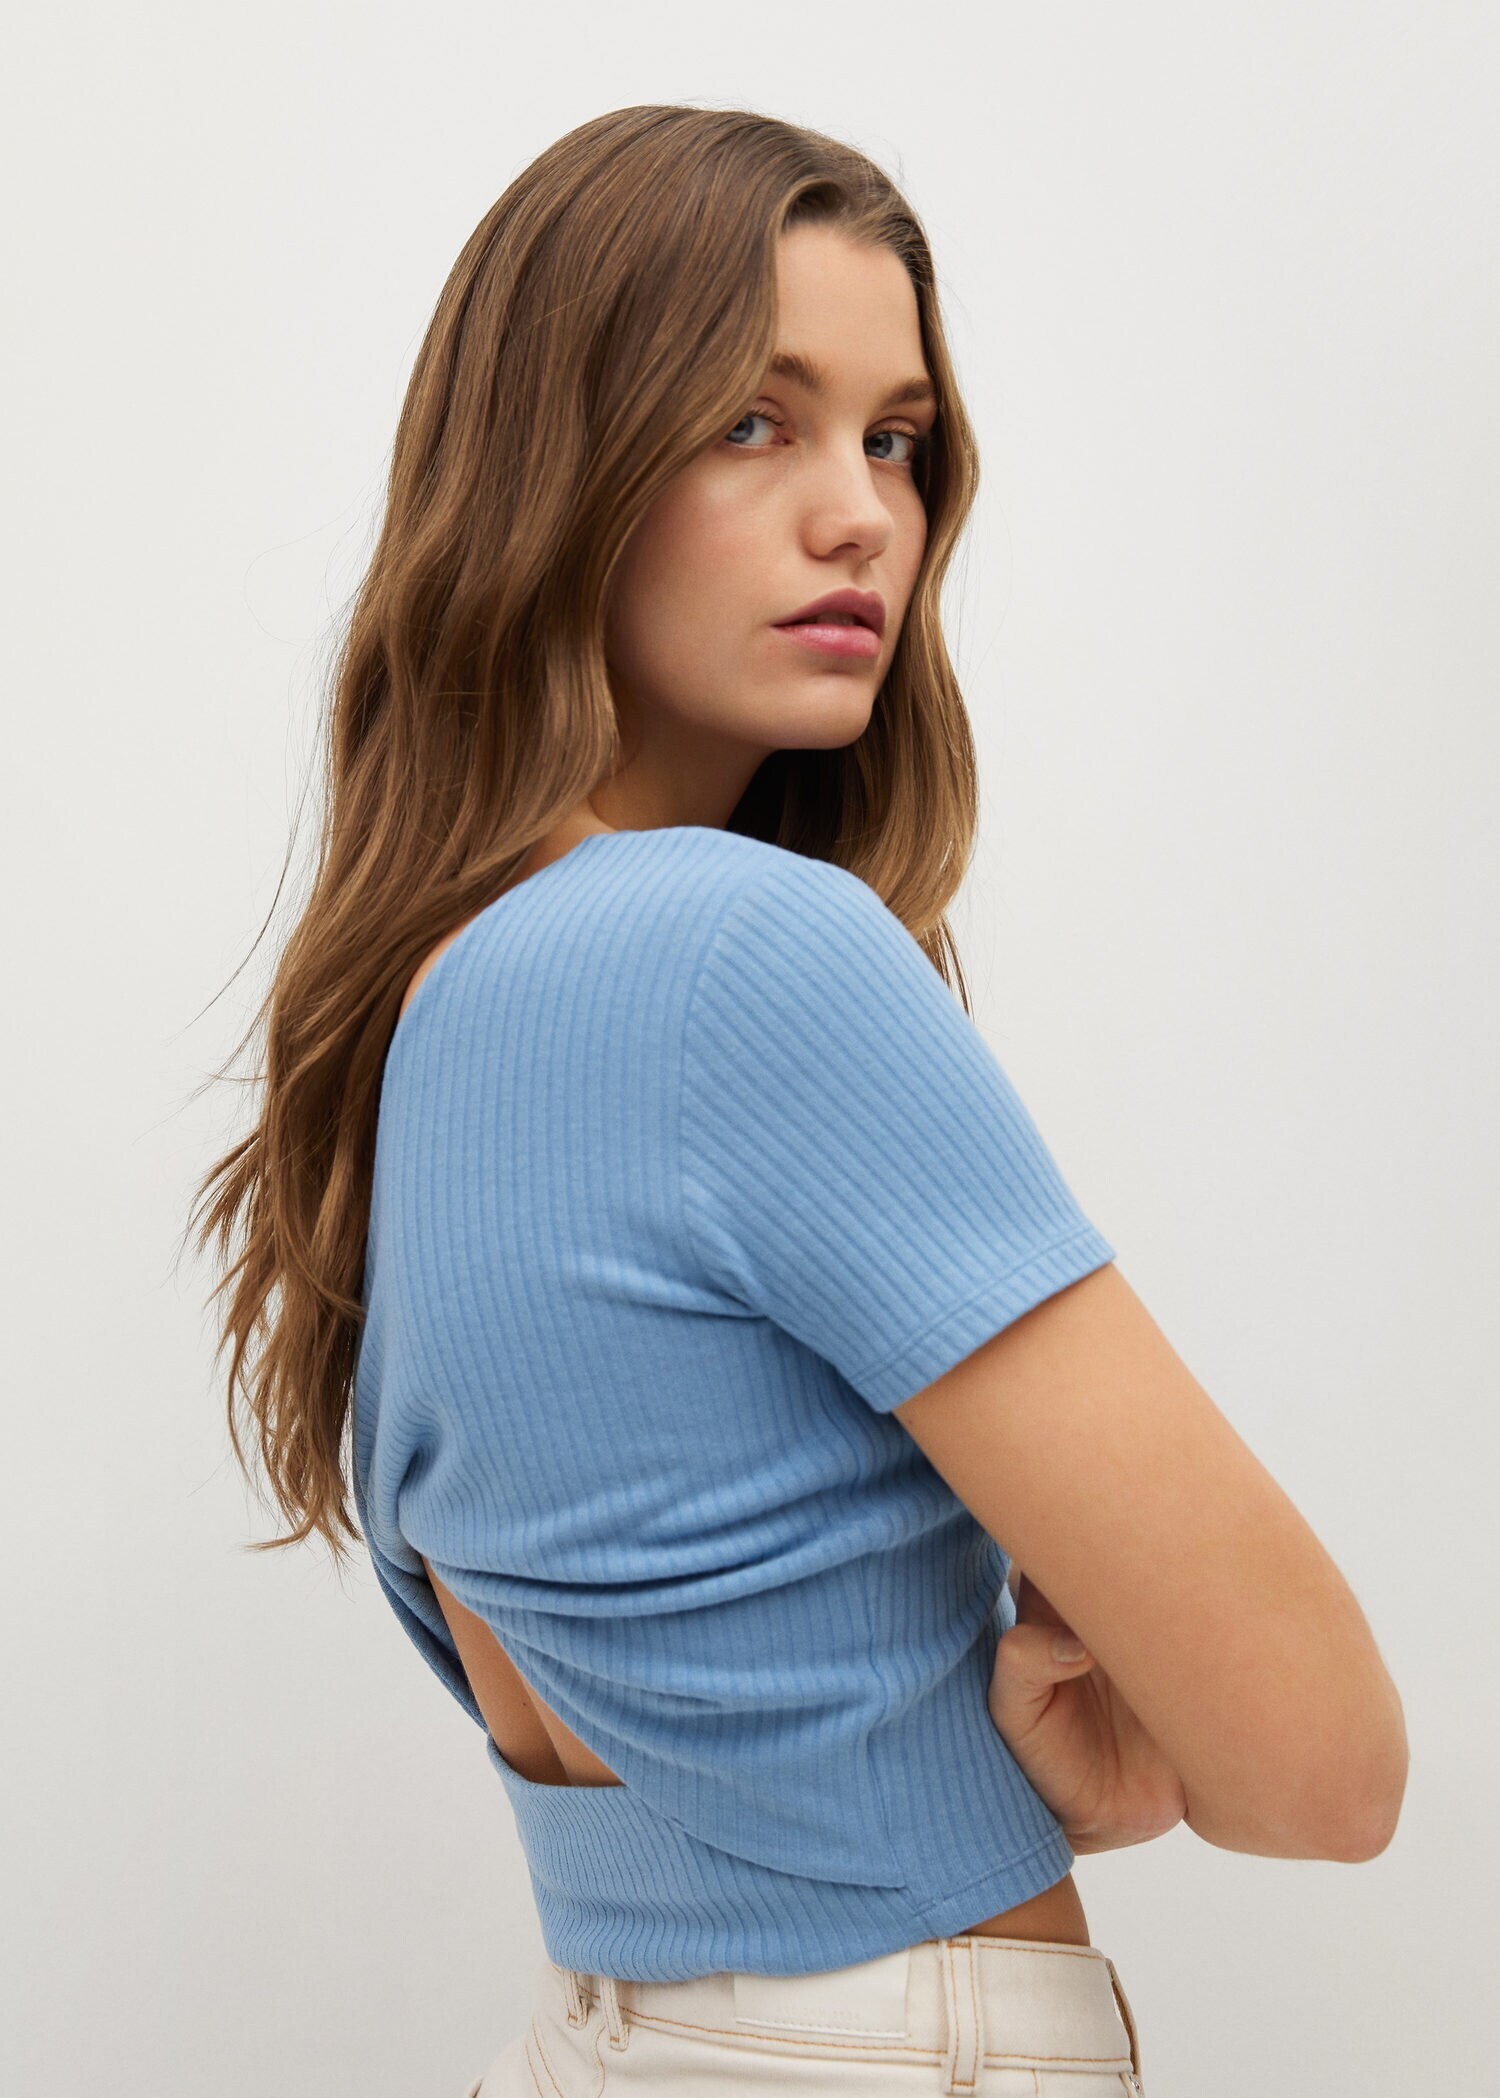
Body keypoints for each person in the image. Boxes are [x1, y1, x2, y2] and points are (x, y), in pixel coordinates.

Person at [190, 105, 1409, 2096]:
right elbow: (1325, 1766)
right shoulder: (740, 957)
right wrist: (1131, 1743)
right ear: (556, 468)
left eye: (896, 439)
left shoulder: (426, 1008)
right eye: (753, 422)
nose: (860, 516)